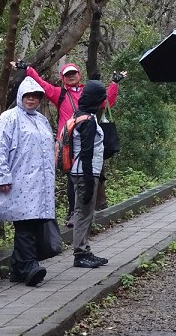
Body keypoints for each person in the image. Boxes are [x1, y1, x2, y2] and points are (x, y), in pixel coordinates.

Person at [10, 60, 126, 224]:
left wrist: (114, 84)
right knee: (72, 176)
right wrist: (27, 69)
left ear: (79, 75)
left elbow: (107, 103)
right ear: (62, 78)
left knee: (91, 172)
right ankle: (73, 213)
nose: (71, 76)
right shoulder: (60, 94)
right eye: (67, 74)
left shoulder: (88, 92)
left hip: (88, 138)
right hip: (67, 143)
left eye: (73, 73)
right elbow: (41, 84)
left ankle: (89, 210)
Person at [0, 77, 55, 286]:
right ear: (20, 96)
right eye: (27, 95)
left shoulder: (41, 120)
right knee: (25, 223)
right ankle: (29, 266)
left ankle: (18, 268)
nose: (31, 99)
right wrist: (2, 176)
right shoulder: (10, 117)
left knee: (33, 222)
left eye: (35, 96)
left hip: (39, 183)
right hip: (19, 180)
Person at [70, 80, 109, 269]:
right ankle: (80, 254)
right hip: (84, 173)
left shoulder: (80, 115)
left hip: (82, 172)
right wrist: (88, 181)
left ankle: (85, 250)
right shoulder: (88, 121)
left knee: (84, 212)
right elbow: (86, 153)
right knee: (83, 212)